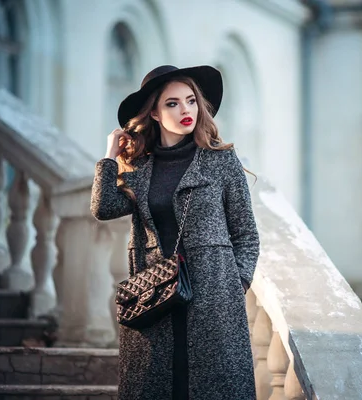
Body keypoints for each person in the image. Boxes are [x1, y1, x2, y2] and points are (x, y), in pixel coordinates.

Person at [90, 65, 260, 399]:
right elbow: (103, 208)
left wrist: (233, 283)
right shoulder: (139, 166)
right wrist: (110, 156)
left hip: (213, 299)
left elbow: (246, 234)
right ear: (153, 112)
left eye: (191, 101)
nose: (186, 110)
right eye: (172, 103)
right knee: (158, 385)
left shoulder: (220, 160)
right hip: (154, 295)